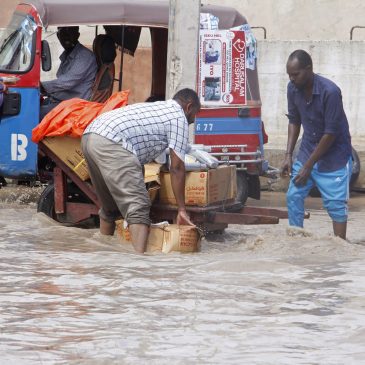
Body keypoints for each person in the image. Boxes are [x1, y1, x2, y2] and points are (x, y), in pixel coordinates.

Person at [82, 88, 201, 253]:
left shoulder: (160, 109)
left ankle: (103, 254)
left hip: (90, 135)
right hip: (112, 141)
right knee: (138, 207)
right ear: (189, 107)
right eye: (195, 114)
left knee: (110, 209)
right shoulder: (179, 117)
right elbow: (177, 168)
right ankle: (139, 264)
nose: (193, 120)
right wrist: (181, 209)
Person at [281, 49, 352, 240]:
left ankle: (340, 247)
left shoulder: (331, 92)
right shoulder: (292, 88)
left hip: (334, 157)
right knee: (293, 196)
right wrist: (288, 155)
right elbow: (294, 120)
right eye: (289, 75)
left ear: (309, 69)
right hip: (307, 151)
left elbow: (330, 134)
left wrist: (308, 166)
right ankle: (297, 242)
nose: (292, 79)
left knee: (335, 205)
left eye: (296, 74)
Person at [40, 26, 98, 120]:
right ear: (58, 36)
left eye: (70, 33)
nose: (66, 37)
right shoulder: (68, 54)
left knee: (33, 115)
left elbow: (67, 81)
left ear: (77, 35)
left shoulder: (84, 56)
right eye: (63, 34)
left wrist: (42, 86)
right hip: (62, 100)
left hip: (74, 106)